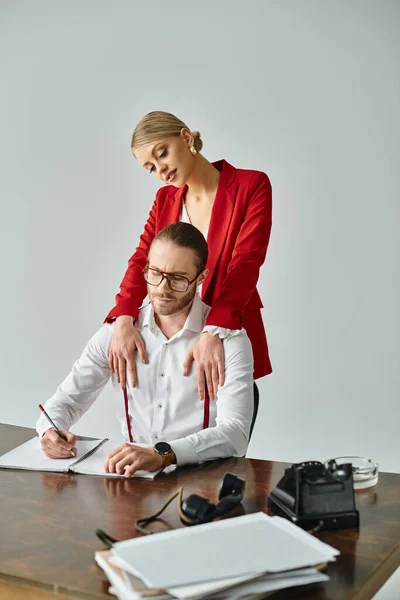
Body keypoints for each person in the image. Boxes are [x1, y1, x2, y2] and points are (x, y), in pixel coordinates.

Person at [36, 223, 254, 477]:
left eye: (178, 278)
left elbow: (236, 434)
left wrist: (163, 454)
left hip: (200, 480)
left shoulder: (229, 342)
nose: (162, 287)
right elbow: (66, 401)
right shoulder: (115, 335)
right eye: (155, 273)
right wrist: (49, 430)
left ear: (201, 278)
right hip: (131, 480)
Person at [106, 112, 272, 429]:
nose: (160, 170)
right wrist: (124, 315)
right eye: (150, 167)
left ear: (185, 138)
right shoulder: (165, 198)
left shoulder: (251, 185)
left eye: (162, 153)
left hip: (224, 337)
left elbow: (246, 263)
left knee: (218, 464)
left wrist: (213, 331)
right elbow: (143, 257)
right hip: (172, 343)